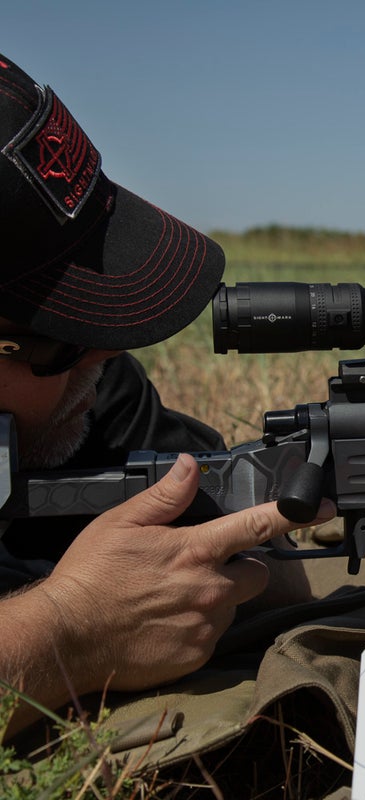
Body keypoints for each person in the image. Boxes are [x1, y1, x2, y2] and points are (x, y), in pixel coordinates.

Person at [0, 53, 331, 738]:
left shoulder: (89, 387)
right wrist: (68, 632)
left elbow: (242, 541)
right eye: (56, 336)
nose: (105, 352)